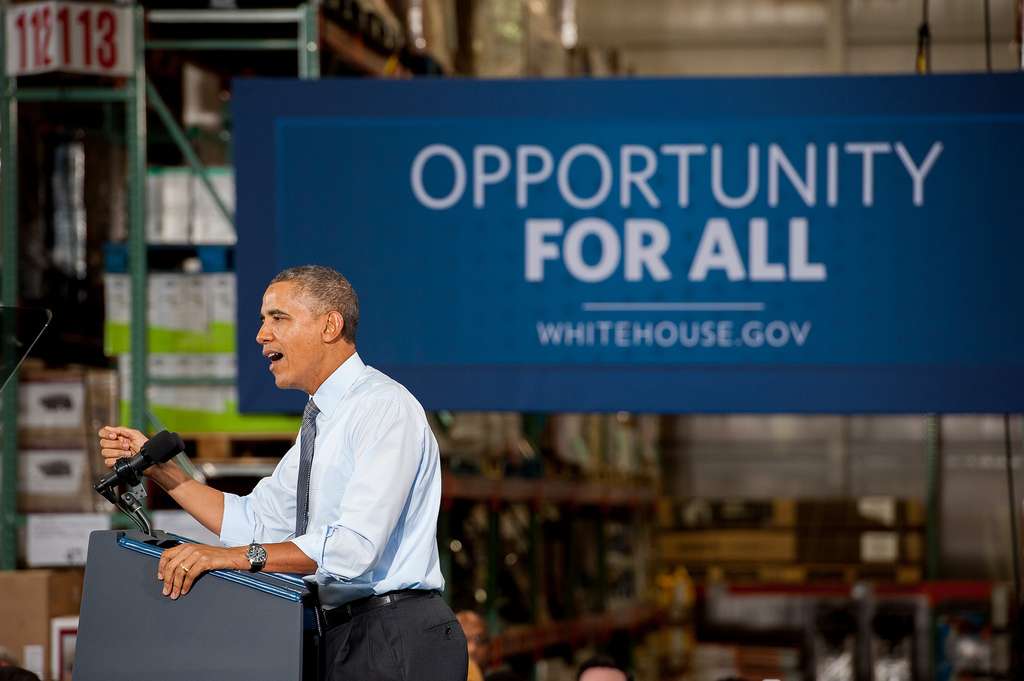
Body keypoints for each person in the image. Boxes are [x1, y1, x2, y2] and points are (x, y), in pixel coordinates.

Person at [98, 265, 467, 681]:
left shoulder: (382, 408)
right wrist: (161, 471)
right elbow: (255, 521)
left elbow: (354, 549)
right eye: (262, 320)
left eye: (278, 318)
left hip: (395, 635)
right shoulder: (323, 420)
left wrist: (230, 559)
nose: (261, 334)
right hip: (343, 635)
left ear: (330, 325)